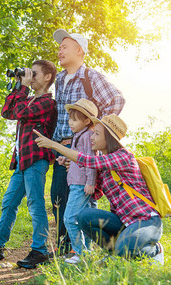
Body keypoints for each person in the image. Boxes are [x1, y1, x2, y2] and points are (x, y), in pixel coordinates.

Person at [34, 114, 164, 264]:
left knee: (125, 249)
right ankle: (115, 253)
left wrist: (54, 145)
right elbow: (93, 192)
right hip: (123, 222)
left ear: (108, 138)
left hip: (145, 221)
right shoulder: (104, 168)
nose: (91, 138)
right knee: (84, 216)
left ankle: (155, 250)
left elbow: (88, 160)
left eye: (96, 134)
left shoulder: (124, 156)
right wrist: (72, 166)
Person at [0, 60, 58, 269]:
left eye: (35, 73)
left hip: (36, 160)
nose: (31, 76)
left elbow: (20, 113)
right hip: (21, 161)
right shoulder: (28, 99)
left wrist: (22, 87)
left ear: (48, 77)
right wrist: (18, 85)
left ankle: (39, 250)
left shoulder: (48, 102)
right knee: (9, 202)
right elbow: (7, 111)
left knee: (35, 204)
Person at [50, 30, 125, 255]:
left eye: (65, 46)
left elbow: (117, 99)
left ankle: (78, 251)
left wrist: (97, 131)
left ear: (79, 50)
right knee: (58, 196)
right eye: (59, 47)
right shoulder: (60, 79)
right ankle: (71, 248)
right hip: (63, 147)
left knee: (77, 198)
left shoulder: (90, 76)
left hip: (83, 149)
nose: (60, 50)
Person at [55, 98, 99, 264]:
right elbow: (77, 159)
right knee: (84, 219)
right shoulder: (78, 136)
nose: (70, 123)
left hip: (81, 185)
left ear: (87, 121)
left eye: (74, 119)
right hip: (77, 183)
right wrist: (64, 159)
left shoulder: (87, 136)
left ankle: (80, 253)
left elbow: (91, 160)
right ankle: (87, 253)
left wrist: (90, 182)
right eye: (69, 119)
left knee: (69, 218)